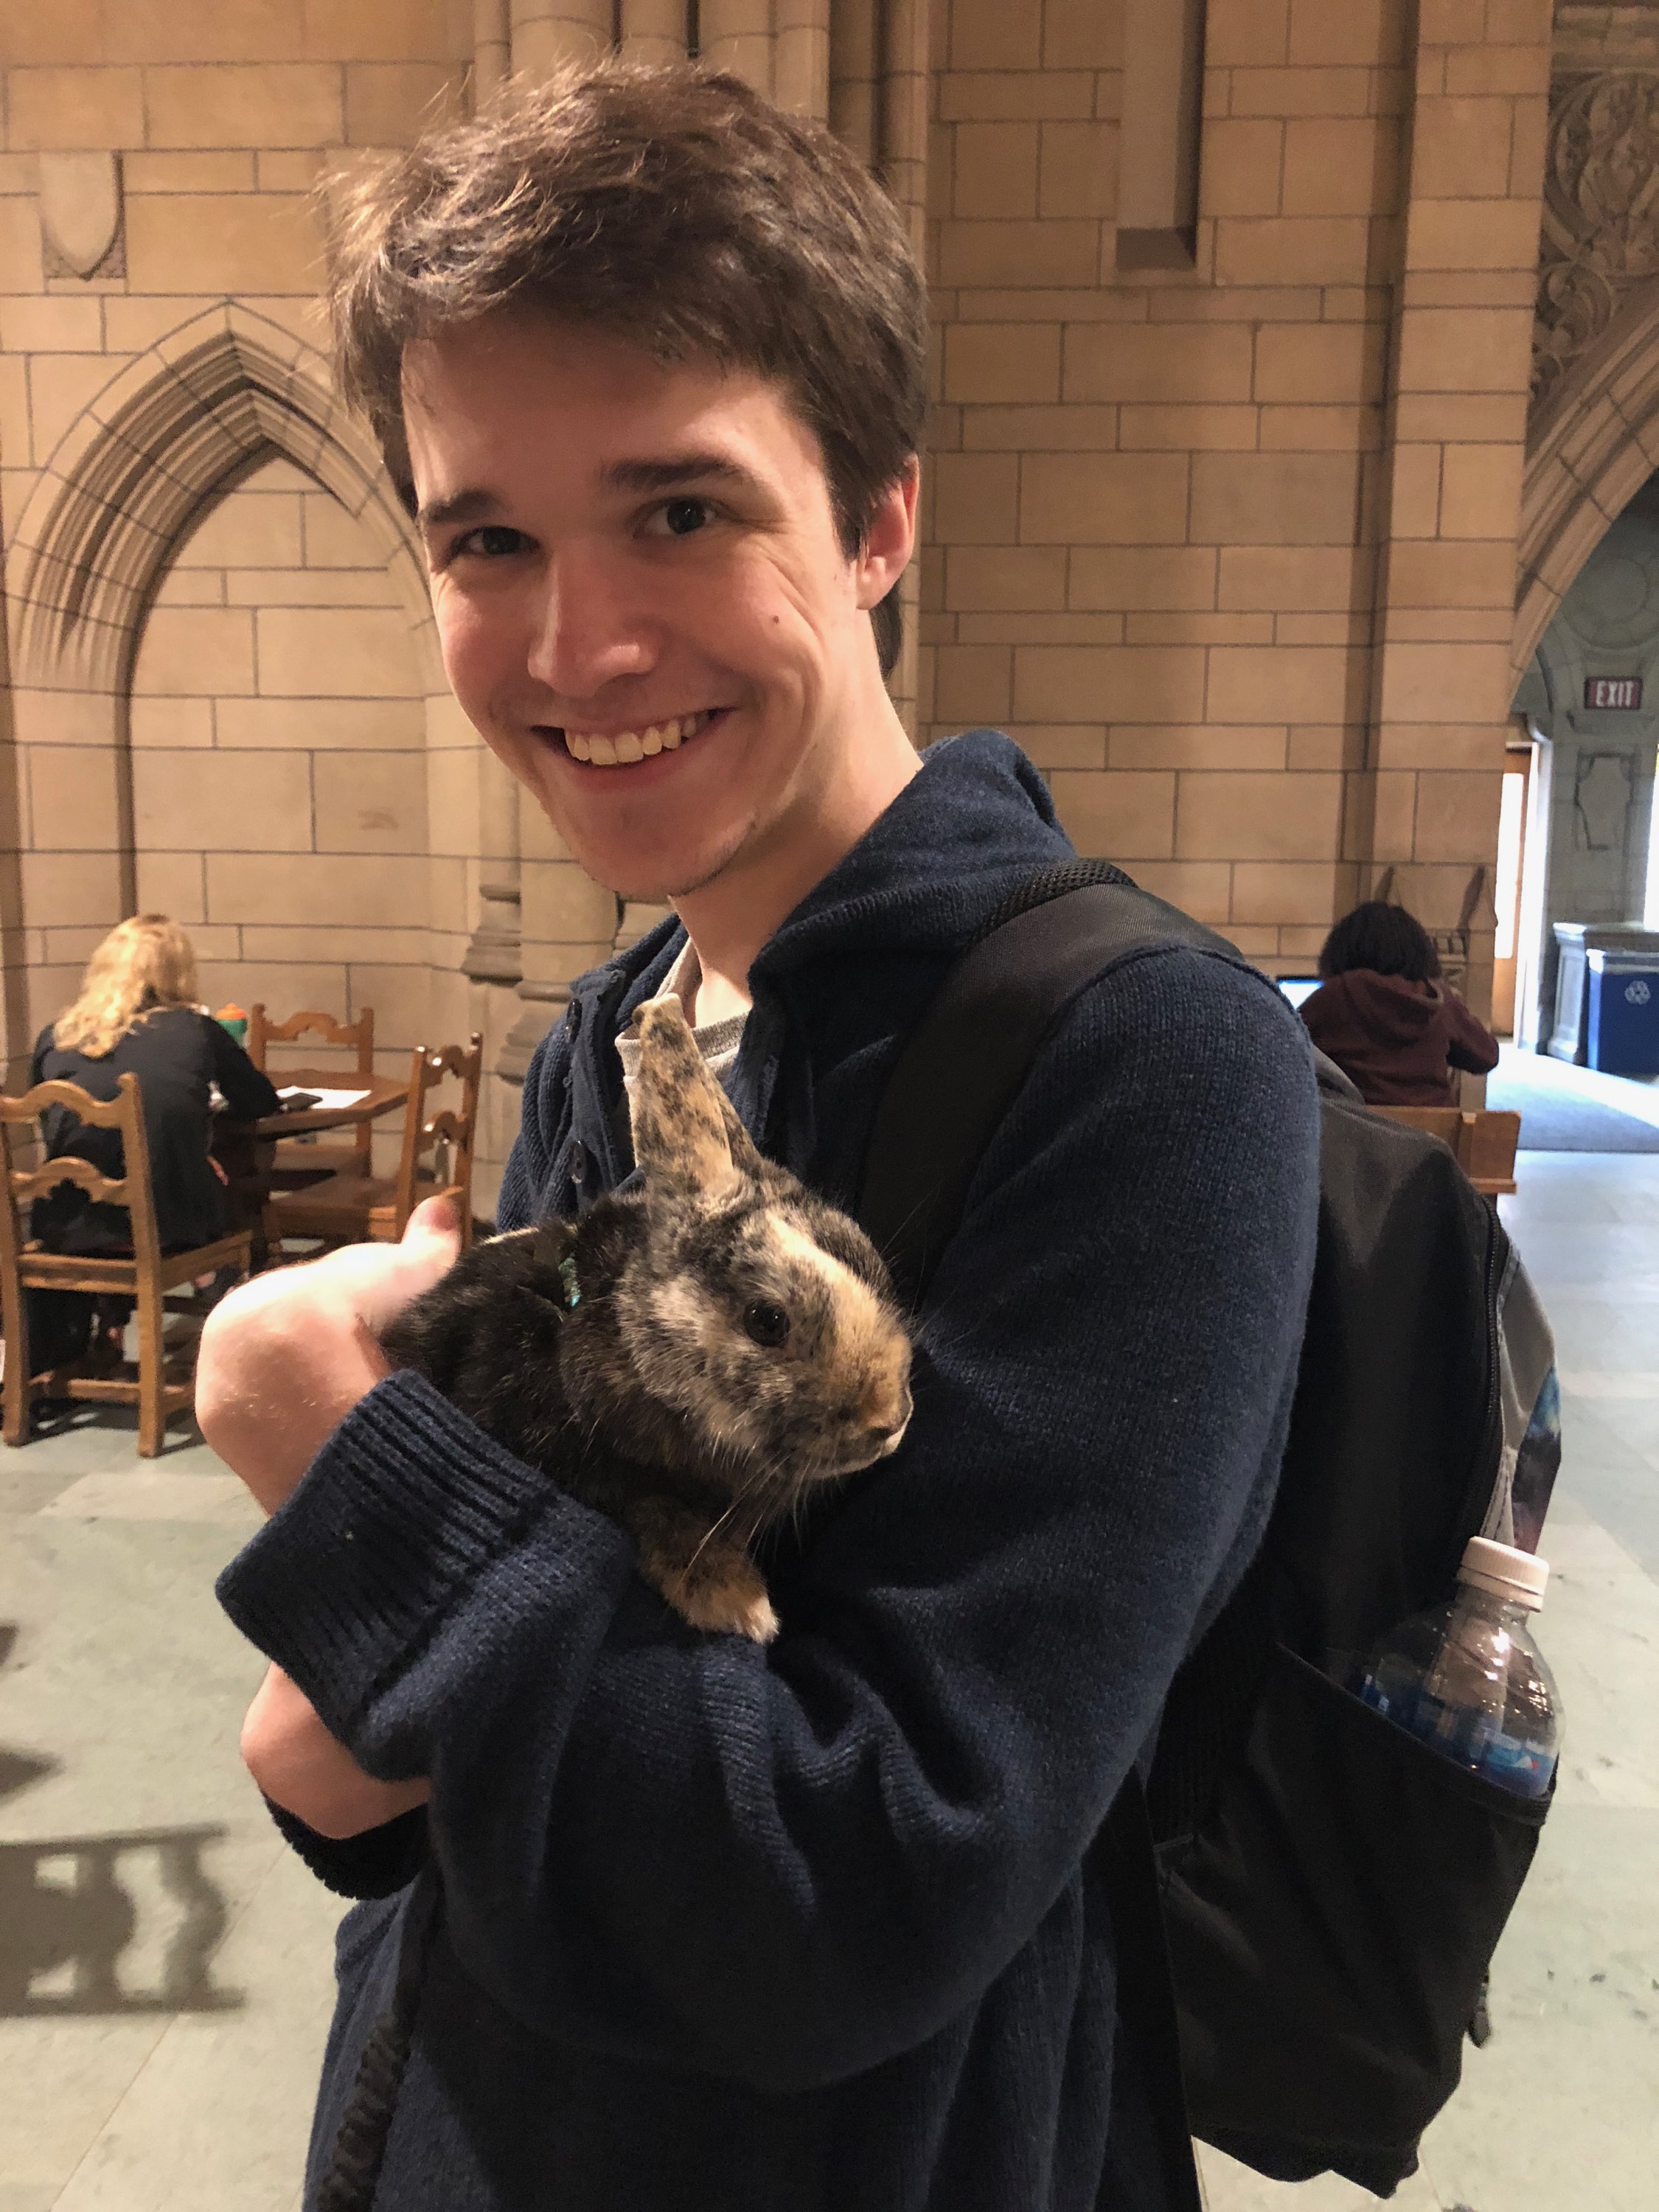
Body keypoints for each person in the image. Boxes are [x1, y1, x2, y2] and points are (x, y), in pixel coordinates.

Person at [197, 62, 1321, 2212]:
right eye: (486, 538)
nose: (576, 643)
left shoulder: (1149, 1068)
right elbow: (419, 1753)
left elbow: (845, 1899)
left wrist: (335, 1455)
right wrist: (371, 1722)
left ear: (881, 516)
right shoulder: (616, 1033)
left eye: (682, 509)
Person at [26, 917, 279, 1368]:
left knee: (139, 1184)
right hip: (167, 1222)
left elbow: (54, 1125)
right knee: (219, 1195)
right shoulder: (194, 1029)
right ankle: (239, 1345)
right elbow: (260, 1100)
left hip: (66, 1220)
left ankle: (101, 1331)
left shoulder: (56, 1034)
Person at [1298, 900, 1501, 1107]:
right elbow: (1486, 1056)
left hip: (1355, 1134)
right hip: (1432, 1136)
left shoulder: (1336, 996)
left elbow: (1284, 1045)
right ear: (1419, 952)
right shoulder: (1438, 1000)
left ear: (1341, 951)